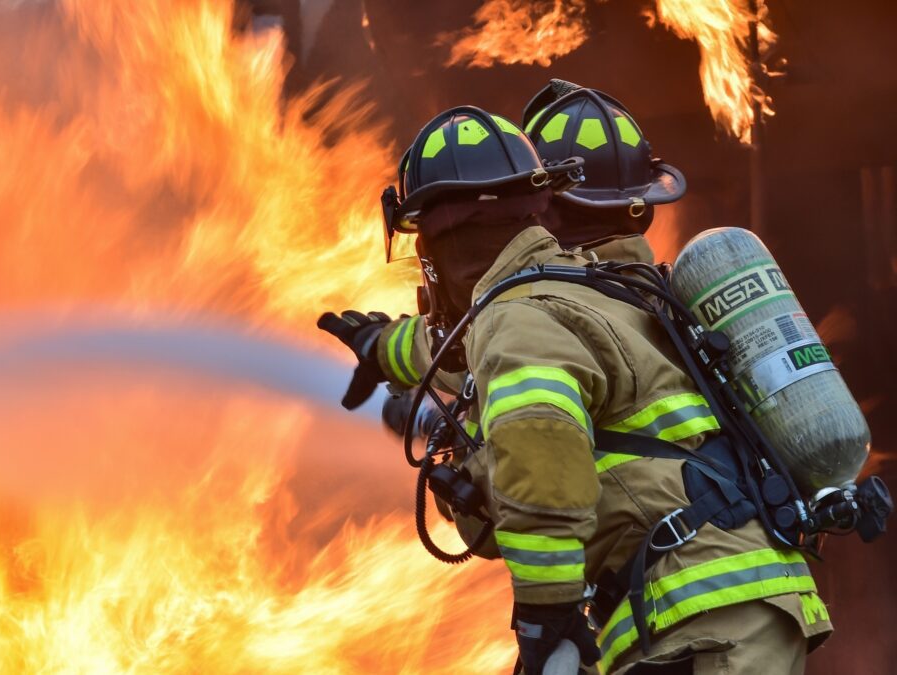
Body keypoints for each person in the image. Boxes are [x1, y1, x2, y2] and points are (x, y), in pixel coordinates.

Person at [318, 92, 832, 674]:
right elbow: (453, 339)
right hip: (727, 603)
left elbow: (541, 468)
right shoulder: (586, 290)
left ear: (441, 241)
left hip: (700, 615)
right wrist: (383, 349)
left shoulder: (517, 320)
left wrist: (546, 618)